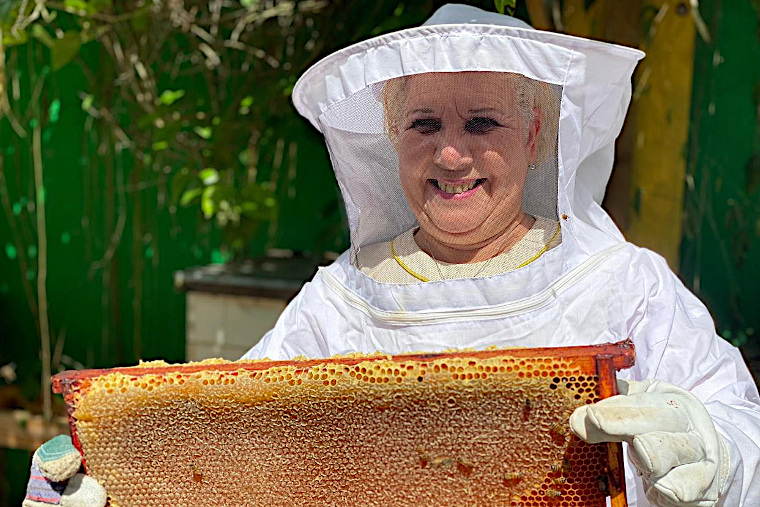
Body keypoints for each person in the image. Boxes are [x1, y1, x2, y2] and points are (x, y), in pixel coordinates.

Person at [26, 5, 760, 507]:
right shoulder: (341, 301)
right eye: (422, 124)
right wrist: (119, 476)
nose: (450, 152)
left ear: (535, 136)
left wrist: (711, 447)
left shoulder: (620, 285)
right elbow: (225, 450)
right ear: (390, 138)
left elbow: (740, 432)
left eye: (482, 121)